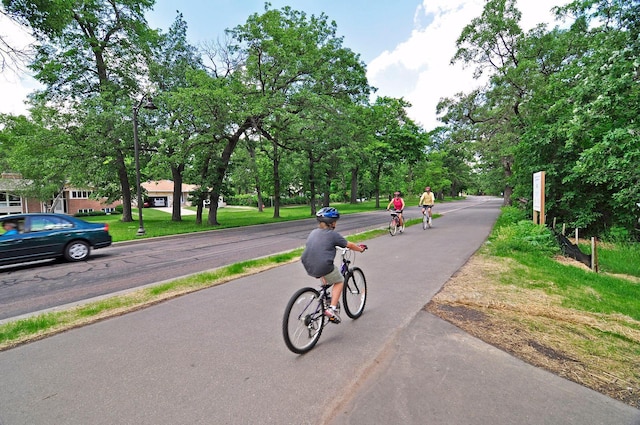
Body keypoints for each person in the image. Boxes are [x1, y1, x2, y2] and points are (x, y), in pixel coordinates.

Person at [301, 207, 366, 324]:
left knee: (323, 271)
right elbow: (349, 245)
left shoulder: (313, 232)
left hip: (307, 263)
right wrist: (360, 249)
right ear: (331, 223)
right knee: (339, 280)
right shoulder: (333, 235)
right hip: (323, 266)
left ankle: (325, 297)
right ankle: (332, 309)